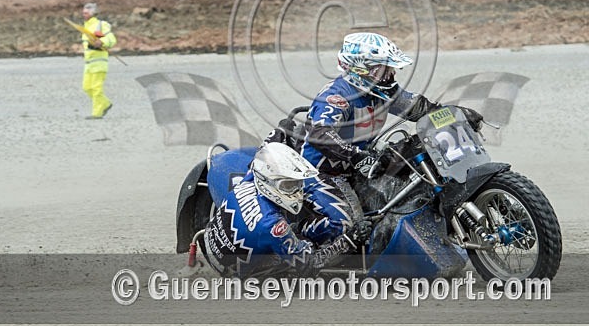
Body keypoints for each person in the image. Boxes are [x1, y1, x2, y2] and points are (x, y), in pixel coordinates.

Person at [286, 32, 484, 245]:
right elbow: (319, 134)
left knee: (420, 173)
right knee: (349, 227)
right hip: (323, 173)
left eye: (390, 69)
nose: (390, 75)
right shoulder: (337, 97)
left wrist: (455, 115)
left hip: (361, 166)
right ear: (362, 69)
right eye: (383, 69)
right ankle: (296, 233)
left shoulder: (383, 91)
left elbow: (419, 109)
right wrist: (356, 157)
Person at [201, 142, 371, 278]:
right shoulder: (273, 226)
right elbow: (309, 263)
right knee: (310, 250)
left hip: (212, 240)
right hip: (235, 269)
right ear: (268, 182)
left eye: (296, 184)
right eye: (289, 185)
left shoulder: (253, 175)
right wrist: (349, 239)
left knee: (292, 224)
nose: (296, 191)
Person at [79, 3, 117, 119]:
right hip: (89, 64)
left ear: (93, 13)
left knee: (96, 88)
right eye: (83, 12)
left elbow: (111, 39)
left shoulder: (101, 25)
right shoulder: (86, 27)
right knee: (86, 87)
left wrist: (102, 42)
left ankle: (97, 112)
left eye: (86, 13)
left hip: (99, 62)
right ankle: (105, 103)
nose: (83, 15)